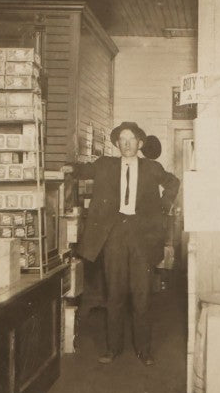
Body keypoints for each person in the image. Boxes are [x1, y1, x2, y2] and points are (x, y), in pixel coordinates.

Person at [67, 122, 179, 364]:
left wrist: (163, 205)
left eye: (132, 139)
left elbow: (173, 182)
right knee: (114, 293)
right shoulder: (104, 165)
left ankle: (144, 351)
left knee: (141, 295)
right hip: (114, 235)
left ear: (140, 143)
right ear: (117, 144)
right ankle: (113, 348)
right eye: (122, 139)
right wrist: (64, 167)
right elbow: (80, 170)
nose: (127, 144)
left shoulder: (152, 168)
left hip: (142, 237)